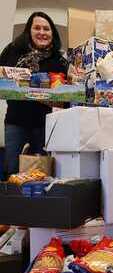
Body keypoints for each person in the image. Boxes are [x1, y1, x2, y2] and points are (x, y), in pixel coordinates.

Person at [0, 11, 68, 175]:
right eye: (37, 28)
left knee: (41, 171)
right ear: (29, 31)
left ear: (53, 33)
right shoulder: (13, 51)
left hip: (44, 125)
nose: (42, 32)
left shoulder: (60, 61)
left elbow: (66, 98)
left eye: (46, 29)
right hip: (16, 121)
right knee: (12, 169)